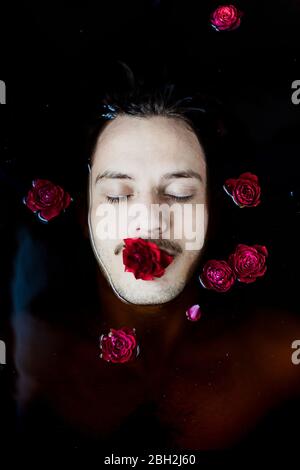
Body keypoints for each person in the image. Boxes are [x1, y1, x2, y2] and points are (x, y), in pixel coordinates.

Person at [9, 72, 300, 455]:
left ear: (211, 213)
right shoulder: (24, 355)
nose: (149, 221)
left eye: (179, 194)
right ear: (83, 216)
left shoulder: (280, 359)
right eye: (117, 195)